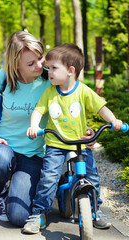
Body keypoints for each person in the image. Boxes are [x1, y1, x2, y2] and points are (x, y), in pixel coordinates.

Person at [0, 31, 101, 230]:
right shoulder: (2, 78)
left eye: (40, 58)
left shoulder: (50, 79)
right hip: (6, 146)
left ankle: (36, 187)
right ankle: (0, 194)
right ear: (15, 64)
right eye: (30, 63)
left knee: (18, 218)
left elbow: (70, 107)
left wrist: (85, 130)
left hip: (34, 154)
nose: (40, 66)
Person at [25, 43, 123, 233]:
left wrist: (114, 120)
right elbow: (38, 110)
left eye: (53, 68)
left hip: (80, 144)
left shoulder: (83, 91)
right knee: (49, 177)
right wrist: (34, 126)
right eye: (48, 67)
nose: (48, 72)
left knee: (92, 176)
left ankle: (95, 211)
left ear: (70, 71)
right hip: (55, 144)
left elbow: (100, 108)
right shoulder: (50, 92)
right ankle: (39, 213)